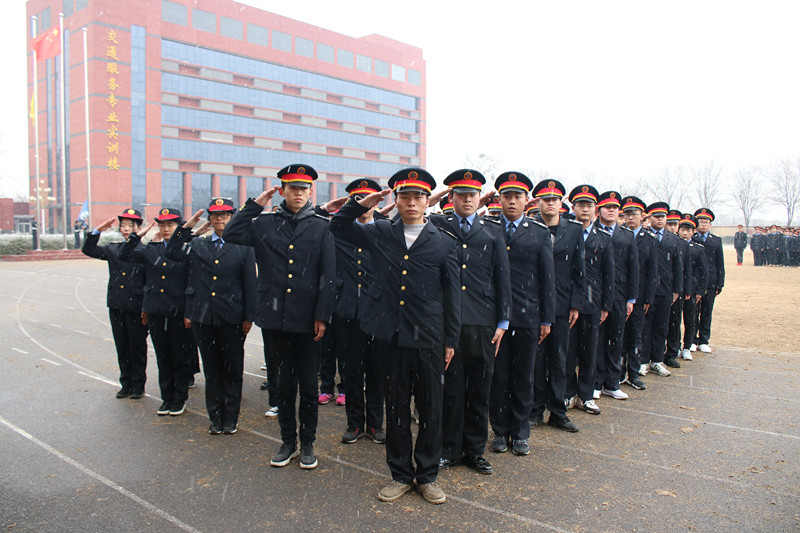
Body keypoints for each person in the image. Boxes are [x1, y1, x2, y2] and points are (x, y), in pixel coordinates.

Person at [330, 167, 460, 505]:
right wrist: (361, 204)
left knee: (431, 409)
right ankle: (401, 474)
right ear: (396, 200)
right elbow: (337, 225)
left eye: (418, 197)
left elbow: (452, 296)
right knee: (397, 408)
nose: (411, 202)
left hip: (429, 337)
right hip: (391, 336)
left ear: (428, 201)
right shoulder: (380, 232)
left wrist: (451, 340)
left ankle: (427, 475)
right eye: (405, 196)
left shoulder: (444, 241)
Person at [224, 164, 336, 470]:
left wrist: (323, 315)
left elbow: (328, 275)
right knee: (283, 385)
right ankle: (288, 441)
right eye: (292, 188)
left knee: (309, 387)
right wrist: (254, 205)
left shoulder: (322, 227)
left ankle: (308, 443)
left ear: (311, 192)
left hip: (308, 319)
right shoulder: (264, 224)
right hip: (275, 318)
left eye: (303, 189)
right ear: (282, 191)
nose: (298, 193)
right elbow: (231, 233)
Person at [430, 169, 511, 474]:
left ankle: (475, 450)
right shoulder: (439, 225)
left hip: (483, 321)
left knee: (479, 388)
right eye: (461, 194)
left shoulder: (492, 230)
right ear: (451, 197)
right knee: (450, 389)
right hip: (448, 321)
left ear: (480, 198)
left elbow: (503, 277)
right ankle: (449, 449)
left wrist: (503, 321)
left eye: (472, 195)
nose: (466, 200)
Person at [165, 198, 257, 435]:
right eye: (215, 215)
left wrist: (248, 316)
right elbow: (172, 252)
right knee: (212, 369)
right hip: (203, 317)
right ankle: (215, 418)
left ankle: (231, 418)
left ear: (232, 217)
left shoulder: (243, 247)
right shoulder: (198, 244)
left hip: (232, 317)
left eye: (224, 215)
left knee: (232, 369)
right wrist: (186, 229)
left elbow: (250, 283)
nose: (219, 219)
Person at [488, 171, 554, 455]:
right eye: (507, 196)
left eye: (517, 196)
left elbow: (547, 278)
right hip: (494, 317)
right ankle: (499, 430)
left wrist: (547, 318)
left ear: (527, 200)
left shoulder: (539, 232)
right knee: (498, 376)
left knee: (524, 376)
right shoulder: (489, 229)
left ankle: (521, 431)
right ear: (499, 199)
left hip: (528, 316)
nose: (512, 201)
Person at [322, 178, 386, 445]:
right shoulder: (340, 229)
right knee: (350, 372)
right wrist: (354, 206)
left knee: (377, 372)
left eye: (369, 199)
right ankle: (355, 424)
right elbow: (333, 221)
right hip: (347, 310)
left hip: (376, 312)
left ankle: (375, 424)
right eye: (358, 199)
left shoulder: (384, 229)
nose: (365, 204)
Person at [120, 207, 194, 416]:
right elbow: (126, 255)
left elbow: (192, 281)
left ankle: (179, 398)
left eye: (170, 225)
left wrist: (190, 311)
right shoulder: (151, 249)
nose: (166, 229)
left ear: (179, 226)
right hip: (156, 310)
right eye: (162, 225)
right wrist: (137, 236)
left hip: (178, 311)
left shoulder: (187, 249)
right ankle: (166, 398)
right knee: (163, 357)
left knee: (180, 356)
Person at [531, 179, 586, 433]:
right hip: (534, 303)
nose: (550, 203)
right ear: (538, 203)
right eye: (546, 199)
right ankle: (534, 410)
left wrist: (576, 304)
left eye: (554, 199)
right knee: (535, 360)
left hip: (562, 304)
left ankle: (557, 410)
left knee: (559, 358)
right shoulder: (530, 227)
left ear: (561, 202)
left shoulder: (573, 230)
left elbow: (579, 270)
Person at [82, 208, 149, 399]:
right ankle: (125, 383)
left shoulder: (145, 250)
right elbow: (89, 250)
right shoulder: (113, 248)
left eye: (130, 225)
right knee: (122, 346)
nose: (126, 229)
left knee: (137, 347)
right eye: (123, 225)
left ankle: (138, 385)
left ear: (139, 227)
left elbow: (150, 281)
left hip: (136, 306)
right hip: (117, 304)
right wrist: (97, 231)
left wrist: (146, 307)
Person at [565, 185, 615, 414]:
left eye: (589, 205)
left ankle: (586, 395)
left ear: (596, 209)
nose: (585, 209)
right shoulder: (566, 233)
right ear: (573, 208)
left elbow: (609, 274)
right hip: (568, 301)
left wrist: (606, 305)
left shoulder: (603, 238)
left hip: (593, 301)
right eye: (580, 205)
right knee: (568, 350)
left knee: (589, 350)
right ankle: (568, 393)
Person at [593, 192, 638, 400]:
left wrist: (631, 299)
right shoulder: (591, 231)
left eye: (614, 208)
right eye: (607, 207)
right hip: (596, 293)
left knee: (616, 339)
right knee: (597, 340)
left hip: (619, 294)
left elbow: (633, 268)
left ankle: (612, 383)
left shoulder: (626, 235)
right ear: (599, 210)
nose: (611, 211)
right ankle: (595, 382)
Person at [640, 202, 682, 376]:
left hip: (665, 289)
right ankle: (643, 361)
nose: (660, 220)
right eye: (656, 216)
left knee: (661, 326)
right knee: (645, 327)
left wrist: (677, 289)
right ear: (650, 218)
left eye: (663, 217)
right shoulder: (643, 236)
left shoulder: (673, 239)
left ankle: (657, 360)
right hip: (646, 289)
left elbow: (678, 266)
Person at [620, 196, 658, 390]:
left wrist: (648, 297)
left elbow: (653, 271)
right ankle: (618, 373)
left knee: (636, 335)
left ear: (642, 216)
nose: (630, 218)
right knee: (619, 335)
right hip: (620, 292)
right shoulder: (619, 235)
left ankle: (633, 373)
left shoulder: (649, 239)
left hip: (640, 295)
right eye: (627, 214)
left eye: (634, 214)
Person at [692, 208, 724, 354]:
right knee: (693, 312)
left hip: (711, 282)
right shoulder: (692, 239)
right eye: (701, 222)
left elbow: (720, 263)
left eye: (706, 222)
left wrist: (720, 283)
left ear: (710, 224)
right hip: (695, 281)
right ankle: (692, 339)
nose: (703, 224)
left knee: (707, 312)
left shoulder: (716, 240)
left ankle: (704, 340)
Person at [676, 214, 708, 360]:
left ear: (693, 232)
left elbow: (704, 272)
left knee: (690, 320)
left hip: (692, 290)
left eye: (688, 230)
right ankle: (675, 346)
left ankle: (687, 346)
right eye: (682, 229)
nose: (684, 233)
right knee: (675, 320)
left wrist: (700, 290)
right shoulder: (674, 244)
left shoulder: (698, 249)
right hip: (677, 289)